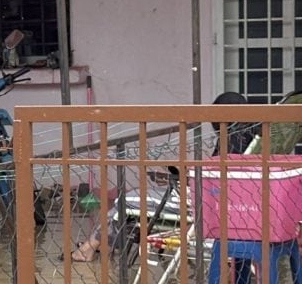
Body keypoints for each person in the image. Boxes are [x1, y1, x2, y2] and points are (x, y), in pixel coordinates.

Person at [69, 92, 256, 262]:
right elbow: (213, 174)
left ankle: (89, 247)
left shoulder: (231, 140)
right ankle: (98, 244)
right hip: (213, 198)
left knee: (127, 201)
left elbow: (210, 176)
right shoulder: (244, 137)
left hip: (200, 203)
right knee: (134, 206)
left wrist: (181, 172)